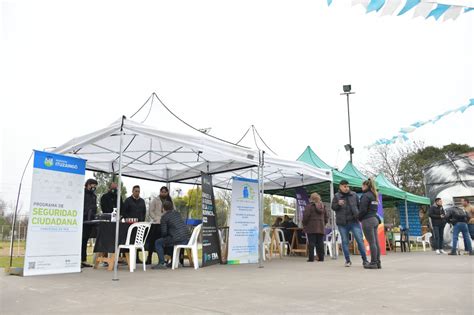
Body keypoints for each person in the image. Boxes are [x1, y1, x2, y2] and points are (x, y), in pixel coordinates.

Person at [331, 180, 368, 267]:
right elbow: (333, 207)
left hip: (354, 221)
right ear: (340, 187)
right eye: (344, 186)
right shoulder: (336, 196)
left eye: (347, 186)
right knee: (345, 242)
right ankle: (347, 260)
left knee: (360, 240)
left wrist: (359, 216)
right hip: (342, 223)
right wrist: (338, 204)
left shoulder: (354, 194)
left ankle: (365, 260)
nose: (347, 188)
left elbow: (359, 206)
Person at [152, 201, 191, 269]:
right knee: (169, 241)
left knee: (158, 242)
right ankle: (174, 262)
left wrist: (164, 237)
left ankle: (162, 263)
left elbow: (164, 233)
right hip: (187, 238)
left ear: (163, 208)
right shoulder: (177, 213)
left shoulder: (164, 217)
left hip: (178, 239)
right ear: (172, 207)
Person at [146, 186, 174, 264]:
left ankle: (164, 258)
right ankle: (149, 258)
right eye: (162, 192)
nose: (163, 193)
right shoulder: (155, 200)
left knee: (165, 241)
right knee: (152, 241)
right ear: (160, 192)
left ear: (167, 192)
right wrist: (155, 218)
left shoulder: (170, 200)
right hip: (156, 223)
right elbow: (150, 211)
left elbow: (173, 210)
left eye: (165, 192)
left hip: (167, 223)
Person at [358, 179, 381, 269]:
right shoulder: (374, 195)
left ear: (366, 186)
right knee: (375, 242)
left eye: (362, 186)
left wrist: (358, 217)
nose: (361, 187)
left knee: (372, 242)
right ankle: (378, 262)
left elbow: (363, 210)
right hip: (374, 219)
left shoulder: (365, 196)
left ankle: (373, 263)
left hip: (367, 220)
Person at [303, 193, 328, 262]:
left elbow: (305, 217)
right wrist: (324, 223)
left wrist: (304, 224)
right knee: (320, 243)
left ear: (311, 199)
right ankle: (321, 258)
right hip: (321, 226)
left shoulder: (309, 206)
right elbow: (326, 217)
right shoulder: (323, 206)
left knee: (311, 243)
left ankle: (311, 258)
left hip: (311, 227)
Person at [81, 178, 98, 268]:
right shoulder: (82, 193)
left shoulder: (94, 196)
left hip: (90, 221)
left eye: (95, 186)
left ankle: (84, 260)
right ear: (87, 184)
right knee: (81, 240)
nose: (94, 187)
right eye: (93, 185)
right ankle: (78, 260)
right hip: (82, 220)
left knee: (85, 240)